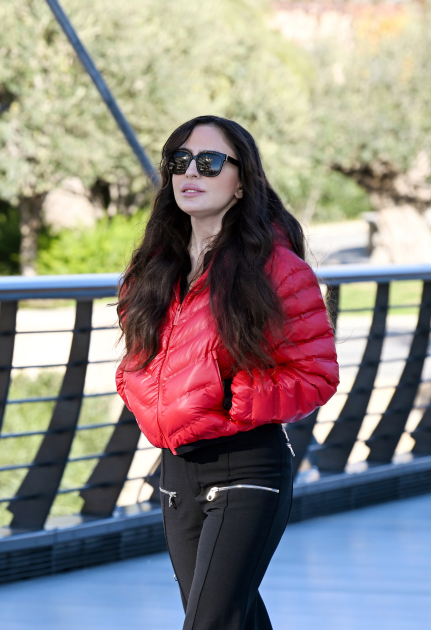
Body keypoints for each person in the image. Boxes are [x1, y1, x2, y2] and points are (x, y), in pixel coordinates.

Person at [115, 115, 339, 630]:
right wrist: (135, 386)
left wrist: (232, 396)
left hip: (247, 468)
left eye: (210, 162)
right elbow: (139, 359)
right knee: (233, 620)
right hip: (176, 474)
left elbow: (316, 376)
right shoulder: (153, 271)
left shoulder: (277, 270)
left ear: (242, 182)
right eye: (179, 161)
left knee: (210, 623)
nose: (191, 172)